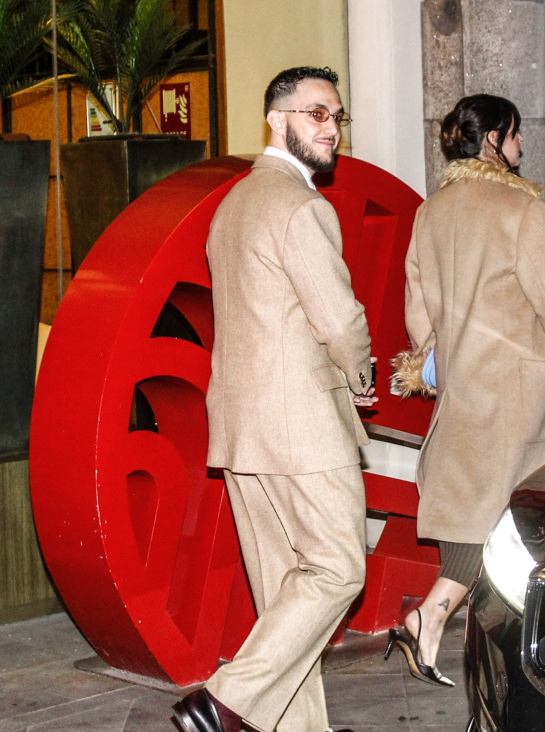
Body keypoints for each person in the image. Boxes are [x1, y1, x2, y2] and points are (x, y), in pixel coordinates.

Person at [171, 66, 374, 732]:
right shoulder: (302, 206)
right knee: (339, 571)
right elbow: (338, 319)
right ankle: (226, 700)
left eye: (337, 116)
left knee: (288, 591)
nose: (331, 129)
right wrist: (363, 376)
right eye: (316, 114)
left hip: (241, 424)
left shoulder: (232, 204)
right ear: (276, 120)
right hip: (302, 424)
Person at [387, 94, 545, 686]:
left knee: (475, 510)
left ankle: (443, 632)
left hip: (464, 383)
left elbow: (419, 308)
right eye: (514, 134)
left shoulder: (432, 212)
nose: (521, 145)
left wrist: (438, 358)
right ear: (491, 140)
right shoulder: (521, 209)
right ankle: (442, 624)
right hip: (516, 388)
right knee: (508, 519)